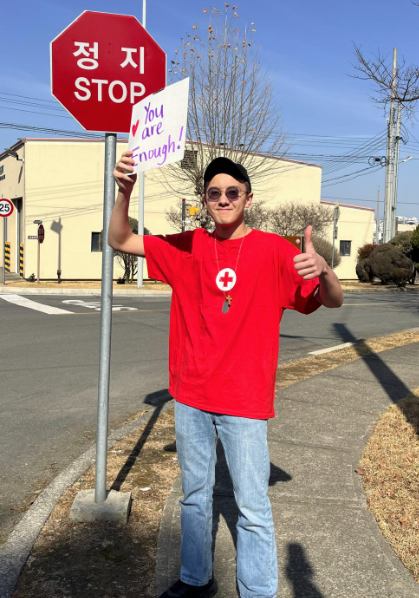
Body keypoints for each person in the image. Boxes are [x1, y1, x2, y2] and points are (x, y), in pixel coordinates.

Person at [109, 152, 343, 598]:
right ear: (205, 200)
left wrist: (326, 270)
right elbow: (121, 239)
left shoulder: (274, 250)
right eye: (214, 193)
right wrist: (124, 192)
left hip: (244, 401)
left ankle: (256, 591)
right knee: (195, 497)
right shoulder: (188, 246)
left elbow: (331, 302)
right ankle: (197, 579)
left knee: (251, 506)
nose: (223, 199)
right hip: (192, 395)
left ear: (247, 199)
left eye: (232, 192)